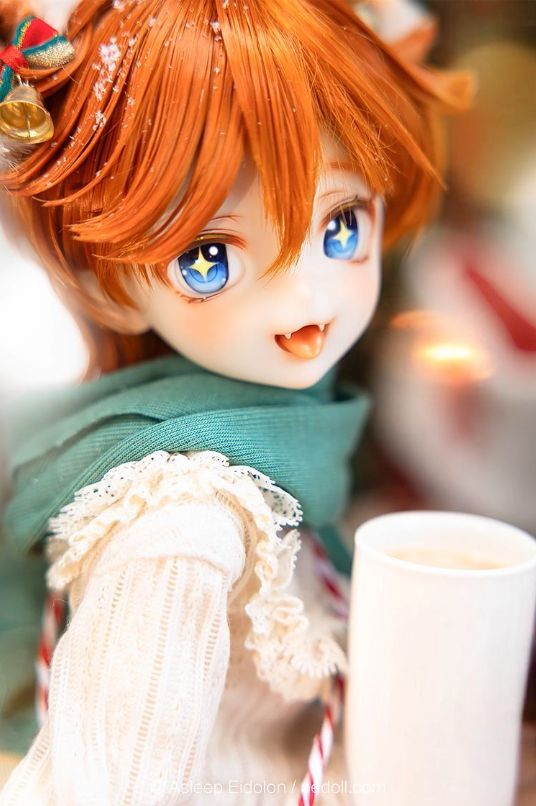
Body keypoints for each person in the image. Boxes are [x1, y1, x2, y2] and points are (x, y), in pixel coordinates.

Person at [0, 0, 470, 802]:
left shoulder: (277, 451)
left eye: (342, 225)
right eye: (209, 258)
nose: (306, 303)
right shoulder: (183, 527)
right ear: (105, 286)